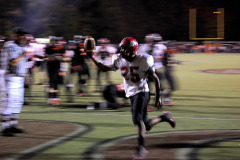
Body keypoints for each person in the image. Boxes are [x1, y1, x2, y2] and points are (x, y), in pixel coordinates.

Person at [86, 37, 176, 159]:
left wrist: (158, 96)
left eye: (124, 48)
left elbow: (155, 78)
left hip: (142, 92)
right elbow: (104, 68)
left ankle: (141, 148)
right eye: (122, 48)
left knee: (137, 119)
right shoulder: (119, 59)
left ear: (131, 50)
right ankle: (164, 117)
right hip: (130, 92)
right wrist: (92, 57)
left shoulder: (143, 59)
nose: (121, 50)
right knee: (146, 125)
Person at [1, 27, 29, 136]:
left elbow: (23, 64)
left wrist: (27, 76)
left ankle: (12, 124)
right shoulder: (10, 46)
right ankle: (5, 127)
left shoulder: (22, 46)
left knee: (18, 102)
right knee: (10, 102)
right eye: (21, 35)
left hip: (19, 77)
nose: (23, 37)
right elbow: (13, 63)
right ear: (15, 35)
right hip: (11, 77)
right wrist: (23, 55)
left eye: (24, 35)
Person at [44, 37, 71, 106]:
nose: (54, 44)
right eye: (53, 42)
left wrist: (62, 58)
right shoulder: (48, 48)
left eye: (55, 42)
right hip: (50, 67)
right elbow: (45, 59)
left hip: (57, 67)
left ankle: (55, 98)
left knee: (56, 82)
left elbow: (66, 57)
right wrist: (53, 57)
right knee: (51, 82)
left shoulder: (61, 48)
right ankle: (50, 97)